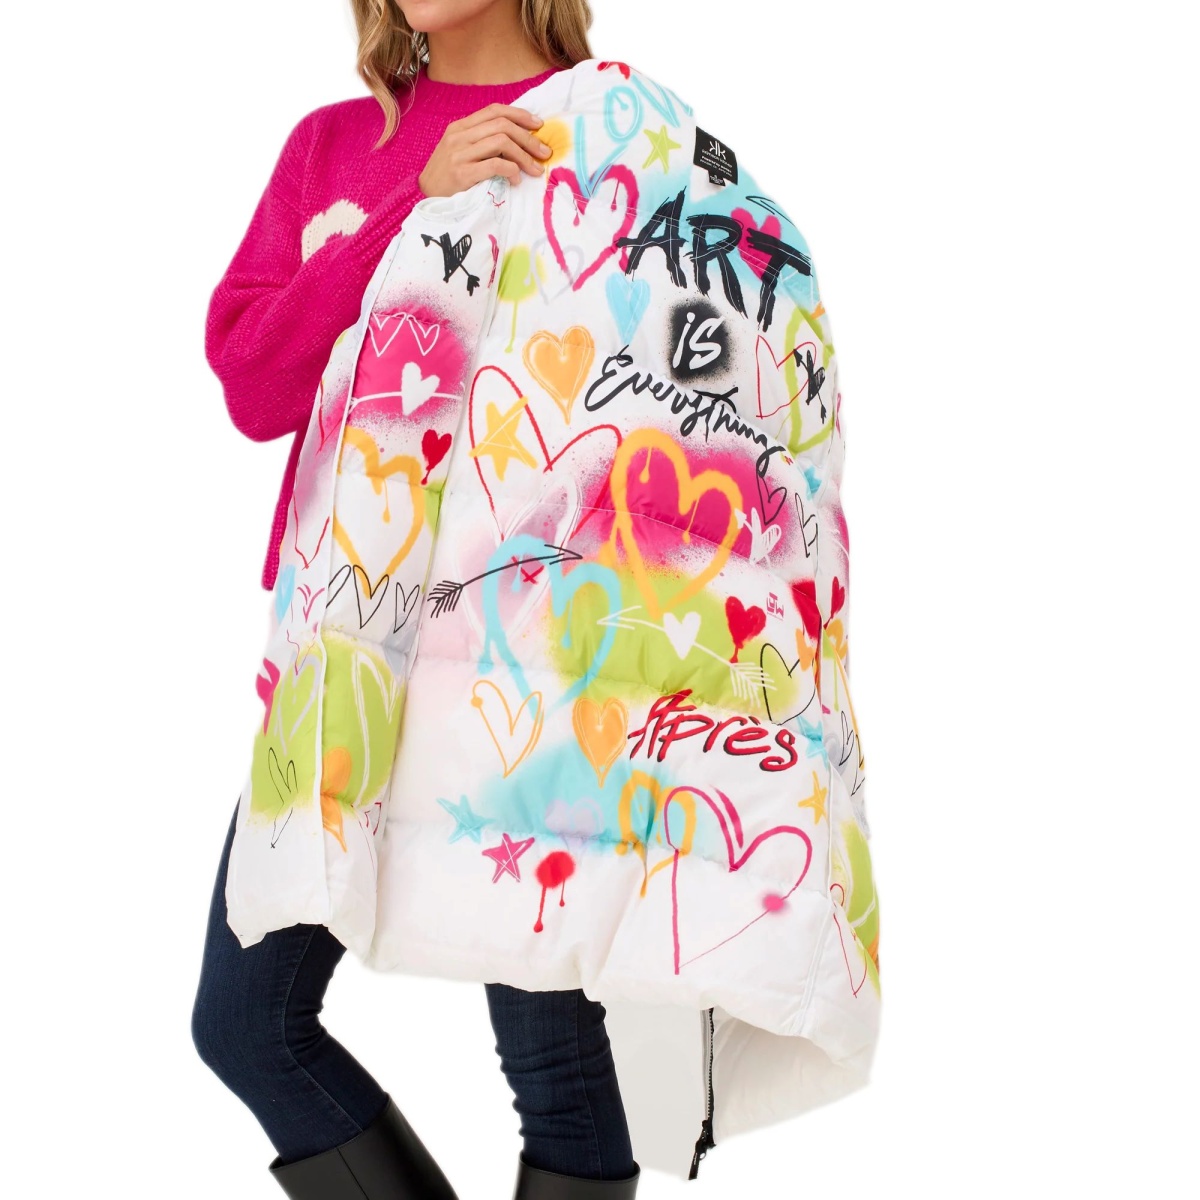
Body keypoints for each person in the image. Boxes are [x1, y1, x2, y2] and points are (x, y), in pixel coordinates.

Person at [192, 3, 642, 1198]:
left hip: (523, 660)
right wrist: (417, 200)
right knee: (245, 1021)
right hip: (346, 648)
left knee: (551, 1055)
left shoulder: (611, 131)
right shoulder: (334, 148)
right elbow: (252, 382)